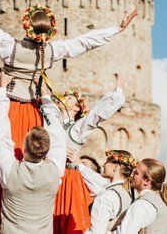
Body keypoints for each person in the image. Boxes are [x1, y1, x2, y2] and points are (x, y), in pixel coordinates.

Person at [0, 0, 138, 222]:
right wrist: (116, 29)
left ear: (26, 27)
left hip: (10, 109)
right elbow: (84, 43)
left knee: (0, 154)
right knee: (37, 156)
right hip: (34, 112)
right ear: (49, 31)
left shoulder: (10, 47)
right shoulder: (50, 52)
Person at [0, 72, 67, 233]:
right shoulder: (55, 172)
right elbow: (58, 134)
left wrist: (1, 89)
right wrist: (46, 98)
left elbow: (0, 133)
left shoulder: (10, 171)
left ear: (24, 149)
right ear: (47, 150)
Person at [52, 75, 126, 233]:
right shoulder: (52, 123)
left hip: (66, 178)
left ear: (77, 108)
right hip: (49, 174)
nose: (65, 98)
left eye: (70, 98)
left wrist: (117, 92)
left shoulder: (77, 129)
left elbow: (96, 115)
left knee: (63, 220)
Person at [70, 150, 137, 233]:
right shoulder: (129, 194)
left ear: (115, 167)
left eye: (107, 161)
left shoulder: (108, 195)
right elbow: (95, 179)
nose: (103, 164)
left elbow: (96, 232)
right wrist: (79, 164)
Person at [115, 158, 167, 234]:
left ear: (147, 181)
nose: (132, 174)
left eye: (136, 173)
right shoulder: (164, 204)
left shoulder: (143, 204)